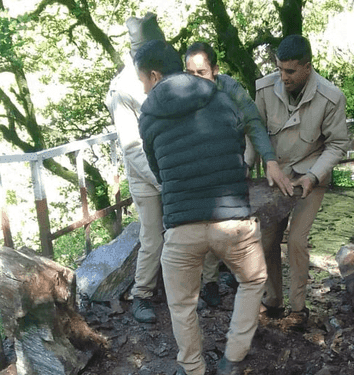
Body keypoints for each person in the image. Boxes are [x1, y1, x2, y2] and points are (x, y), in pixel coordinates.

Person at [134, 39, 268, 375]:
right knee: (253, 280)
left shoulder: (148, 113)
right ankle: (232, 359)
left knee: (181, 304)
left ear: (153, 75)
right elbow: (237, 143)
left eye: (142, 82)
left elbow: (157, 168)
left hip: (181, 226)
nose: (144, 89)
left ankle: (193, 368)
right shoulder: (219, 95)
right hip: (233, 220)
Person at [184, 41, 293, 308]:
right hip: (199, 167)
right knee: (206, 222)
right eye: (190, 73)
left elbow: (254, 123)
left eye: (202, 73)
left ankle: (238, 273)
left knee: (233, 221)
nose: (196, 79)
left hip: (231, 163)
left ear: (215, 70)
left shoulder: (231, 90)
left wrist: (269, 160)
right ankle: (209, 283)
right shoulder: (181, 93)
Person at [255, 34, 350, 330]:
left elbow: (337, 144)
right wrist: (250, 168)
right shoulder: (264, 89)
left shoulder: (331, 96)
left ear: (307, 67)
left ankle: (298, 308)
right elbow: (254, 132)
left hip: (311, 176)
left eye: (290, 71)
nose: (283, 77)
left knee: (296, 240)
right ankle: (272, 302)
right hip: (276, 174)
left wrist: (313, 175)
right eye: (280, 69)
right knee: (266, 239)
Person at [105, 12, 166, 324]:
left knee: (186, 231)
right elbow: (132, 148)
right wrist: (162, 181)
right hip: (145, 173)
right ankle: (142, 294)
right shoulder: (124, 88)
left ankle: (186, 289)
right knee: (153, 235)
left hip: (170, 165)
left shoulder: (165, 68)